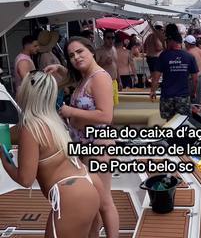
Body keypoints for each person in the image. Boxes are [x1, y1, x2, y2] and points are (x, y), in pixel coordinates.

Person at [0, 71, 103, 238]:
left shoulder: (31, 128)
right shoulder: (55, 121)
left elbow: (26, 179)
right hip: (88, 183)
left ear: (27, 92)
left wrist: (6, 162)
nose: (17, 88)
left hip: (71, 195)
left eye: (21, 85)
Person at [45, 36, 119, 238]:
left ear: (91, 51)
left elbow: (106, 115)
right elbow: (72, 77)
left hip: (99, 146)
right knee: (92, 201)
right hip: (85, 147)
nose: (76, 57)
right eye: (71, 55)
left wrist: (71, 112)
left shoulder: (99, 77)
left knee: (104, 202)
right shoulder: (85, 77)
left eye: (80, 52)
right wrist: (60, 69)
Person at [150, 26, 198, 121]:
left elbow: (156, 77)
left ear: (172, 41)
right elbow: (195, 79)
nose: (167, 43)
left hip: (167, 96)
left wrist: (153, 90)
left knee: (169, 121)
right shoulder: (189, 57)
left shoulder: (164, 55)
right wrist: (193, 93)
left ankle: (171, 135)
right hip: (183, 96)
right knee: (183, 122)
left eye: (168, 41)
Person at [96, 29, 121, 104]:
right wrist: (104, 63)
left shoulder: (114, 49)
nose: (111, 40)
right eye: (108, 38)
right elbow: (93, 69)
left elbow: (116, 66)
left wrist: (119, 81)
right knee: (106, 105)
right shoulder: (99, 51)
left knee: (114, 106)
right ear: (104, 38)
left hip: (114, 82)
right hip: (104, 83)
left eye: (113, 38)